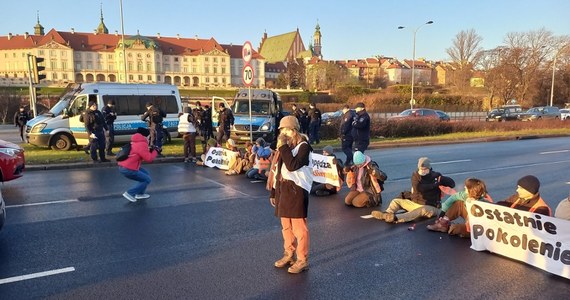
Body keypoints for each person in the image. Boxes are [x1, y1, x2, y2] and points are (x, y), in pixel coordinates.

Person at [269, 115, 312, 274]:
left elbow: (293, 165)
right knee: (286, 227)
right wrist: (274, 192)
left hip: (297, 190)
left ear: (294, 130)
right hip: (283, 190)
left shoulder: (304, 146)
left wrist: (283, 148)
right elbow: (278, 170)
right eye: (282, 130)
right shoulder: (284, 146)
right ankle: (289, 254)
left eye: (287, 129)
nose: (284, 133)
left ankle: (302, 259)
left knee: (299, 229)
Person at [371, 157, 455, 223]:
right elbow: (419, 188)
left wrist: (442, 179)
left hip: (431, 207)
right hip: (415, 203)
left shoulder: (436, 176)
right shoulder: (415, 175)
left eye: (424, 169)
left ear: (429, 168)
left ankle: (396, 218)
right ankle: (386, 214)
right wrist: (435, 185)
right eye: (420, 169)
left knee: (422, 210)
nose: (422, 171)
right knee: (396, 201)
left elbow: (452, 184)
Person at [426, 177, 490, 237]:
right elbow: (452, 198)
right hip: (468, 219)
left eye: (467, 187)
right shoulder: (465, 195)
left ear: (472, 190)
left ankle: (452, 228)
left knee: (454, 229)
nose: (464, 187)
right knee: (459, 202)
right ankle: (442, 224)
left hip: (476, 225)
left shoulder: (483, 202)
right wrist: (442, 214)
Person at [117, 127, 158, 202]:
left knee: (146, 175)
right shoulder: (142, 144)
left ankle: (140, 194)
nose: (149, 138)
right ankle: (130, 193)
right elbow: (148, 159)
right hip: (128, 169)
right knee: (147, 179)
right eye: (149, 136)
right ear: (146, 136)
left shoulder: (135, 141)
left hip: (124, 166)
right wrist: (155, 152)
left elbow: (139, 153)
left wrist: (150, 150)